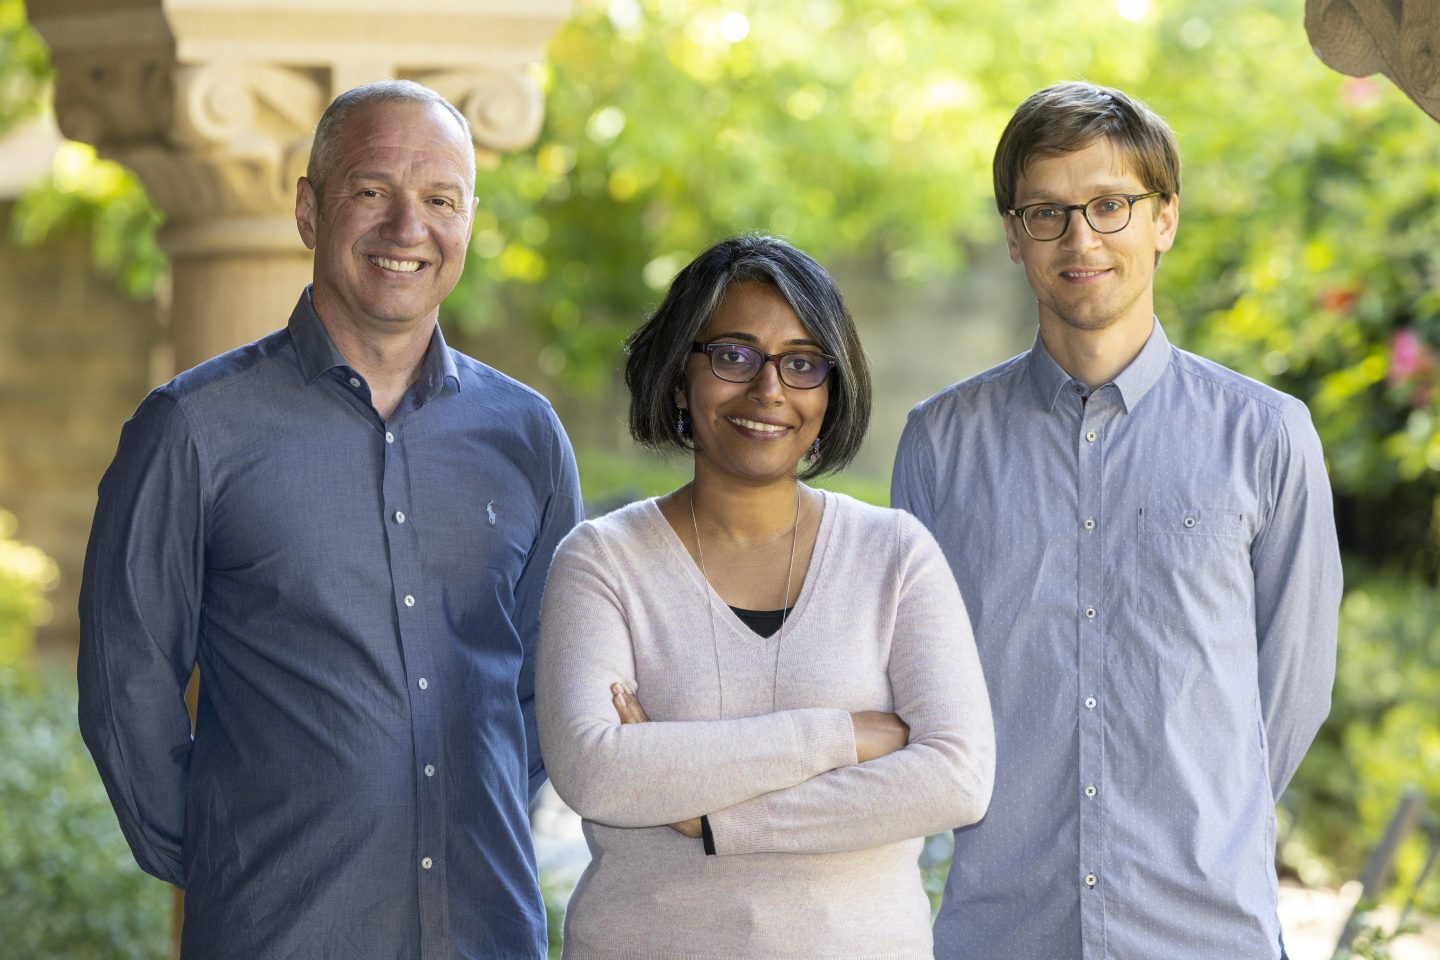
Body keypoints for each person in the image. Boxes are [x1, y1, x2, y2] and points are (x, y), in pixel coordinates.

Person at [78, 80, 583, 959]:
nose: (406, 228)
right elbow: (128, 686)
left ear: (468, 220)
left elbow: (552, 684)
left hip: (486, 930)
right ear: (310, 209)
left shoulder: (528, 436)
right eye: (371, 190)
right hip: (282, 932)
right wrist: (228, 858)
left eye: (439, 199)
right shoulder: (194, 429)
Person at [892, 81, 1343, 960]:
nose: (1081, 240)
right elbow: (912, 690)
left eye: (1110, 206)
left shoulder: (1267, 436)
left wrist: (1200, 818)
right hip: (1003, 930)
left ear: (1163, 218)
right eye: (1048, 213)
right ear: (1013, 235)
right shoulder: (939, 445)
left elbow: (1291, 692)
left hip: (1206, 934)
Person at [537, 234, 995, 959]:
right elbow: (597, 771)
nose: (769, 389)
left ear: (831, 389)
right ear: (679, 376)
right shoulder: (603, 561)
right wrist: (845, 737)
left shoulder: (895, 555)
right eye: (734, 355)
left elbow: (955, 779)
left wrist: (710, 817)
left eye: (802, 363)